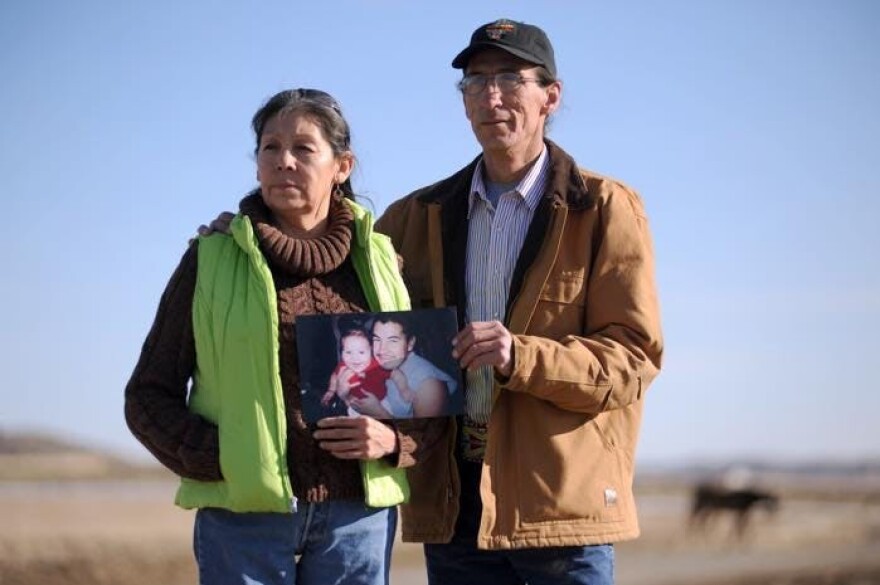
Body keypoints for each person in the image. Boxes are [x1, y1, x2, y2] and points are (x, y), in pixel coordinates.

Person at [374, 18, 664, 585]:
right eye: (475, 82)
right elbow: (343, 280)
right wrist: (247, 230)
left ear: (550, 96)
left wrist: (519, 357)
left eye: (510, 78)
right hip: (455, 507)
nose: (491, 96)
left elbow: (632, 359)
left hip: (561, 508)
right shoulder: (414, 217)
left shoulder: (605, 208)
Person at [124, 88, 417, 585]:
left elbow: (423, 394)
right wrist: (220, 459)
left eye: (303, 149)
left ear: (342, 166)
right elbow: (148, 395)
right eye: (270, 148)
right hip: (244, 520)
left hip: (357, 522)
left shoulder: (383, 264)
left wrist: (394, 441)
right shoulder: (210, 259)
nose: (284, 161)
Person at [348, 313, 458, 419]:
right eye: (377, 339)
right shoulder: (377, 363)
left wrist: (378, 412)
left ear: (410, 343)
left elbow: (424, 437)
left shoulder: (430, 386)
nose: (381, 350)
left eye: (393, 341)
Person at [321, 324, 414, 415]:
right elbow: (334, 375)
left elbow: (396, 373)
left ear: (371, 350)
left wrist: (404, 389)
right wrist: (331, 390)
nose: (355, 358)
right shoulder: (343, 366)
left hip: (380, 403)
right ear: (341, 352)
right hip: (355, 405)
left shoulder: (376, 365)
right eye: (348, 352)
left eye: (361, 352)